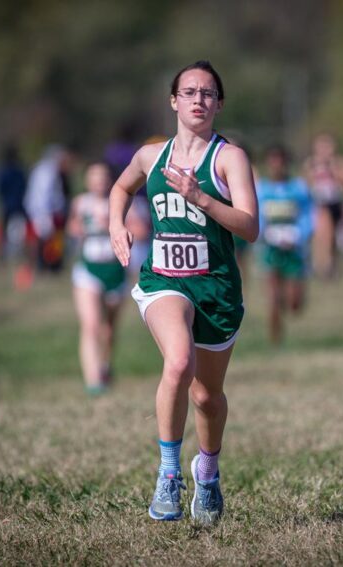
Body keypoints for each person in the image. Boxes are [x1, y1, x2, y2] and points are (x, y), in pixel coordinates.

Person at [108, 60, 258, 525]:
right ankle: (169, 474)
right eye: (189, 92)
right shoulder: (151, 156)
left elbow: (250, 227)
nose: (198, 100)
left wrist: (202, 199)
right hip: (163, 282)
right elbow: (121, 187)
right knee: (178, 362)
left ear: (219, 104)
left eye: (208, 93)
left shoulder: (229, 158)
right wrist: (116, 224)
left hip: (216, 289)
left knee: (207, 396)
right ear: (173, 100)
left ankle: (207, 473)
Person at [68, 162, 127, 396]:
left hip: (115, 270)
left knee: (108, 329)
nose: (99, 182)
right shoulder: (80, 203)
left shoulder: (121, 200)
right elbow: (71, 227)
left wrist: (113, 226)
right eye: (94, 177)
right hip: (88, 270)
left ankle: (105, 366)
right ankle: (93, 381)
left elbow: (141, 230)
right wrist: (78, 227)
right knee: (90, 325)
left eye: (103, 177)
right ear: (87, 181)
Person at [256, 145, 314, 345]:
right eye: (273, 162)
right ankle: (275, 339)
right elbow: (256, 216)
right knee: (272, 298)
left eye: (280, 162)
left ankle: (290, 297)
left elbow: (308, 215)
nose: (277, 167)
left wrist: (299, 235)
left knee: (294, 303)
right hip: (270, 250)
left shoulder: (298, 188)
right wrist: (264, 233)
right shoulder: (261, 189)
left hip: (294, 250)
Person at [303, 133, 343, 279]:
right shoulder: (311, 163)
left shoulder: (340, 163)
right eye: (321, 146)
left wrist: (333, 170)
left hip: (335, 202)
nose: (324, 150)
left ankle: (331, 263)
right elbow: (305, 184)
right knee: (322, 234)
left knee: (332, 237)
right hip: (318, 202)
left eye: (327, 146)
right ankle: (322, 266)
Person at [24, 145, 75, 272]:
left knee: (49, 240)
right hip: (45, 212)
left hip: (41, 211)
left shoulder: (41, 169)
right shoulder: (48, 172)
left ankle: (49, 265)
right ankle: (46, 266)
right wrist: (46, 213)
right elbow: (45, 194)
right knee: (45, 240)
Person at [0, 143, 28, 264]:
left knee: (8, 233)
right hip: (16, 205)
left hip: (8, 205)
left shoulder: (3, 170)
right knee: (13, 233)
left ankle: (3, 256)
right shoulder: (19, 171)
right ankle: (4, 255)